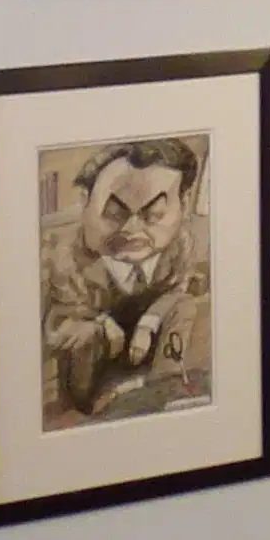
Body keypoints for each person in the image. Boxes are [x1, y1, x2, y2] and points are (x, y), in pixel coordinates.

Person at [43, 137, 206, 422]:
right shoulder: (63, 257)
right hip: (90, 377)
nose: (132, 229)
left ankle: (160, 387)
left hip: (144, 367)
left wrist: (149, 322)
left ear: (182, 204)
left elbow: (177, 292)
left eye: (154, 215)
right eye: (114, 214)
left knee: (183, 306)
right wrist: (102, 325)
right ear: (85, 202)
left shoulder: (179, 246)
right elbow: (57, 327)